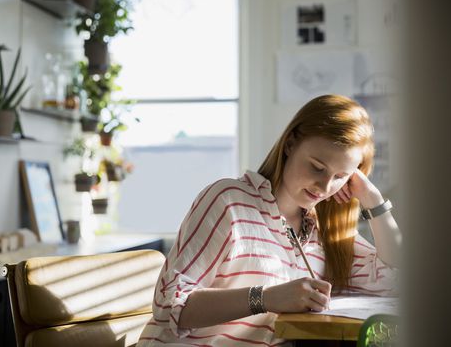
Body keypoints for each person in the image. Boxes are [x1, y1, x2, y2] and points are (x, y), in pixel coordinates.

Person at [137, 94, 401, 346]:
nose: (324, 185)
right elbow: (169, 305)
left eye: (340, 176)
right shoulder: (229, 201)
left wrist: (373, 200)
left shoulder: (323, 230)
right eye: (317, 167)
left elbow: (395, 280)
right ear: (290, 144)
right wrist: (264, 298)